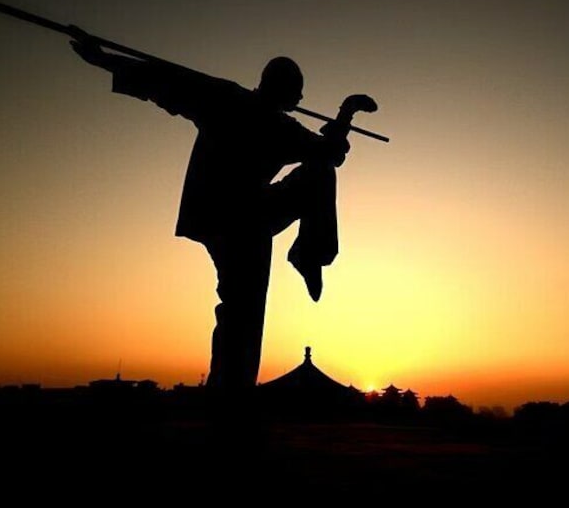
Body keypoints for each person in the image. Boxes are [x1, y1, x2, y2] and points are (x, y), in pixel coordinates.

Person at [69, 30, 362, 408]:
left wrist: (346, 112)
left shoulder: (279, 125)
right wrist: (103, 59)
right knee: (243, 307)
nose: (303, 99)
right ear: (282, 87)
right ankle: (229, 397)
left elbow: (327, 154)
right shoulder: (227, 100)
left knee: (245, 301)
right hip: (226, 219)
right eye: (299, 90)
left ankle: (309, 255)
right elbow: (166, 81)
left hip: (252, 214)